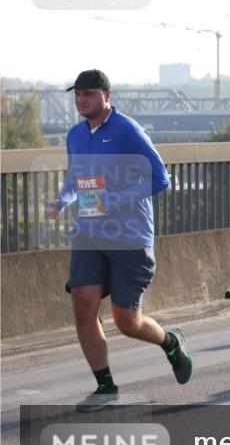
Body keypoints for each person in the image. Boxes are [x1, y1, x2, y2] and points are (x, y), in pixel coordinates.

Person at [46, 69, 192, 412]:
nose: (81, 100)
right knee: (83, 305)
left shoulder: (128, 131)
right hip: (89, 232)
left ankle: (170, 342)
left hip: (129, 237)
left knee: (127, 322)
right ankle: (105, 387)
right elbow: (74, 178)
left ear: (107, 96)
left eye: (89, 94)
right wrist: (62, 199)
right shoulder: (75, 135)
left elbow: (161, 179)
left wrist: (113, 200)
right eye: (77, 94)